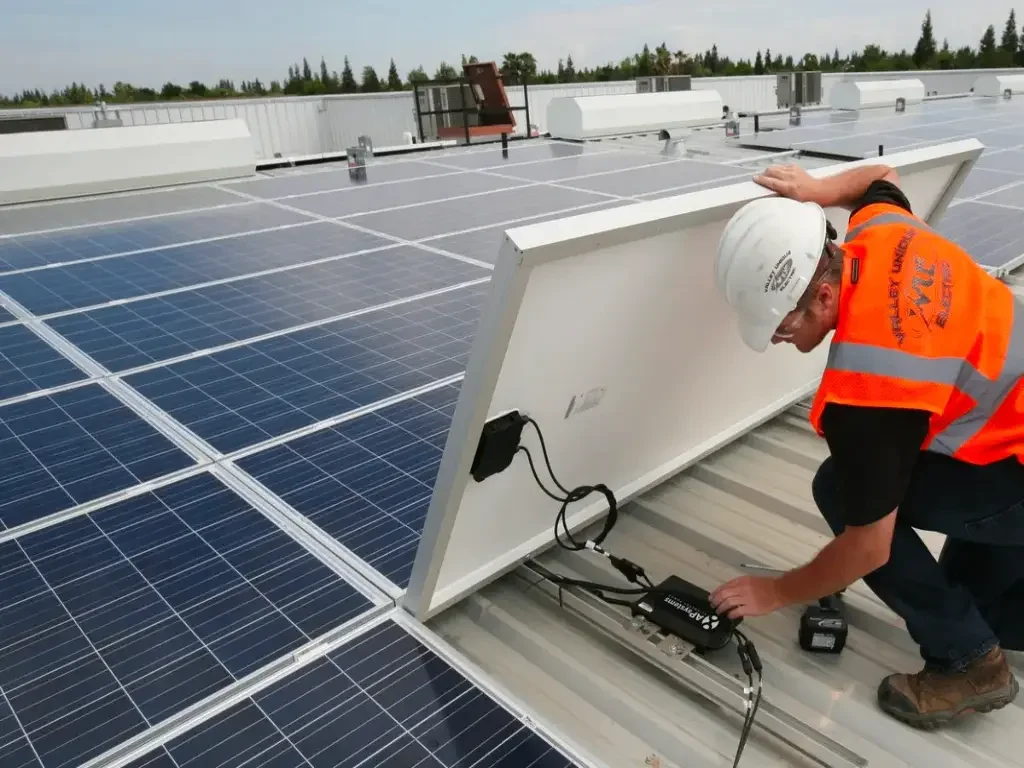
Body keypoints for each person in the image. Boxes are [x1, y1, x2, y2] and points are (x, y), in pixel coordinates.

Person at [707, 162, 1024, 730]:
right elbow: (881, 176)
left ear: (824, 296)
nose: (778, 337)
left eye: (780, 323)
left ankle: (970, 666)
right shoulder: (880, 233)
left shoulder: (869, 387)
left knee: (837, 488)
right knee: (979, 599)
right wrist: (816, 191)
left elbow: (868, 549)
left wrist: (775, 590)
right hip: (1012, 424)